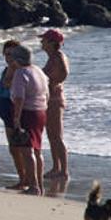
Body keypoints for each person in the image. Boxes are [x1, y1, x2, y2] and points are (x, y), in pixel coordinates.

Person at [9, 44, 49, 195]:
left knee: (27, 150)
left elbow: (19, 97)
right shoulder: (38, 70)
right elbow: (47, 93)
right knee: (37, 149)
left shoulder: (21, 73)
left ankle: (33, 186)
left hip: (28, 112)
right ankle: (39, 185)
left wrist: (16, 118)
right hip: (41, 111)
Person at [0, 39, 26, 190]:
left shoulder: (17, 70)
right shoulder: (7, 68)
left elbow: (9, 85)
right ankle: (23, 177)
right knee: (14, 147)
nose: (9, 57)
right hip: (5, 108)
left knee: (17, 146)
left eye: (13, 54)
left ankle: (24, 179)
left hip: (13, 108)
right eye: (7, 54)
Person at [40, 29, 70, 179]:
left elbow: (64, 73)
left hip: (55, 100)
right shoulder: (52, 57)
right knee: (51, 135)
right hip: (49, 100)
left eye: (44, 40)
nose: (41, 42)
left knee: (56, 136)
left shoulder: (58, 56)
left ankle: (64, 171)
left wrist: (51, 81)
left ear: (52, 43)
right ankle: (56, 167)